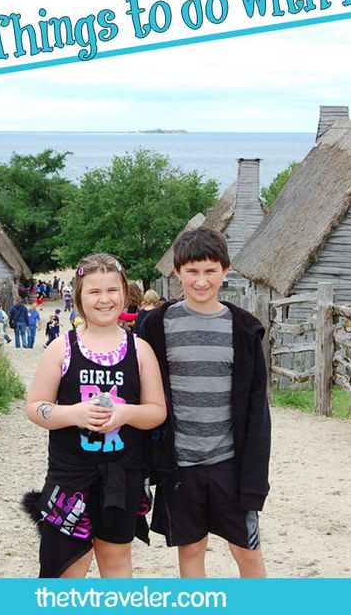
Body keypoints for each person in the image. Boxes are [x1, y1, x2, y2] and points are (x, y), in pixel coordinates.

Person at [138, 227, 270, 579]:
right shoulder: (155, 326)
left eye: (210, 271)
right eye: (192, 271)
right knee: (192, 548)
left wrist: (255, 481)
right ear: (177, 272)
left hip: (229, 463)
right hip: (180, 465)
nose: (201, 281)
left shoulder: (244, 331)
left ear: (225, 271)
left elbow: (257, 414)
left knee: (247, 552)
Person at [25, 253, 166, 578]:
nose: (104, 299)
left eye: (112, 290)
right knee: (64, 568)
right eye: (94, 292)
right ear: (79, 296)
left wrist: (126, 413)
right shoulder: (61, 349)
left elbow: (157, 411)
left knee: (116, 564)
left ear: (125, 293)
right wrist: (73, 414)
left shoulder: (140, 349)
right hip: (69, 476)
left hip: (123, 476)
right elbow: (35, 407)